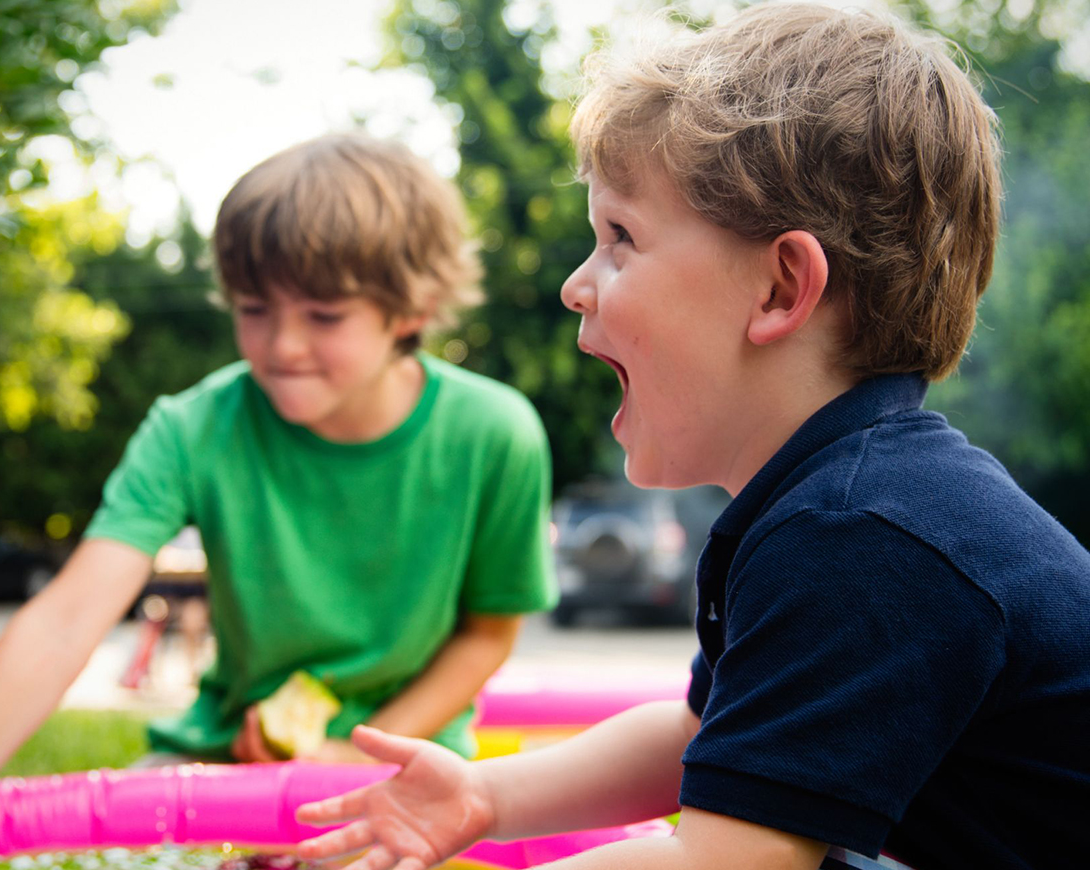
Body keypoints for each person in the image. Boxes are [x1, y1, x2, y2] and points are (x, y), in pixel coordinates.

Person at [293, 6, 1090, 870]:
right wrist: (489, 798)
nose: (574, 286)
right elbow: (702, 736)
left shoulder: (863, 537)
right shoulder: (841, 503)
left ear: (781, 289)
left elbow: (720, 861)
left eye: (620, 239)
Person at [0, 133, 556, 868]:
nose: (282, 345)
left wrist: (350, 754)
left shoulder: (495, 433)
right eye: (254, 309)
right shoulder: (193, 427)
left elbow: (488, 632)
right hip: (221, 765)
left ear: (412, 309)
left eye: (324, 316)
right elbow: (64, 622)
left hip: (409, 772)